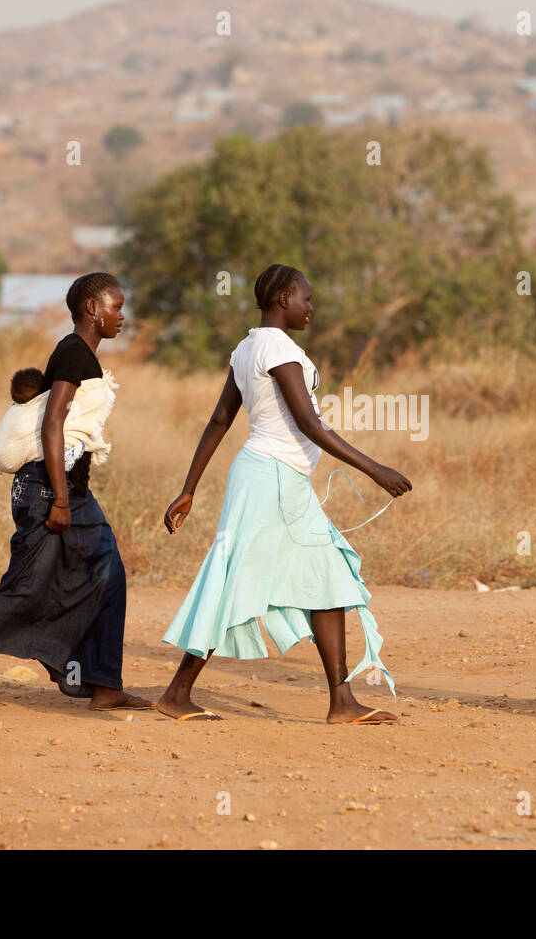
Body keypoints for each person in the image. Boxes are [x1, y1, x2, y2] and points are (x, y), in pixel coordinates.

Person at [158, 263, 411, 724]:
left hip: (271, 478)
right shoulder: (276, 346)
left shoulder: (246, 347)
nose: (310, 307)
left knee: (328, 578)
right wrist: (375, 469)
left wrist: (189, 488)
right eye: (305, 299)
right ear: (281, 299)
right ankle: (177, 693)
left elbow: (220, 420)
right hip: (272, 480)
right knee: (237, 581)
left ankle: (342, 702)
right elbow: (310, 424)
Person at [0, 272, 153, 714]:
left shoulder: (78, 354)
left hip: (64, 490)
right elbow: (50, 423)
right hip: (51, 492)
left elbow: (27, 413)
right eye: (116, 307)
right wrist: (60, 500)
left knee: (107, 574)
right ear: (92, 310)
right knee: (27, 586)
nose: (122, 315)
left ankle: (105, 684)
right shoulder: (74, 352)